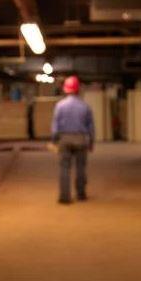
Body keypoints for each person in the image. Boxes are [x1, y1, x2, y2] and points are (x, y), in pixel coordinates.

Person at [51, 75, 94, 204]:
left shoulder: (60, 106)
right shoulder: (85, 106)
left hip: (65, 139)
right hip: (81, 139)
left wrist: (54, 140)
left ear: (65, 90)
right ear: (78, 90)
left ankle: (65, 197)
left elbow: (55, 125)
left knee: (64, 167)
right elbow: (91, 126)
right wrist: (91, 142)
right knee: (80, 167)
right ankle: (81, 194)